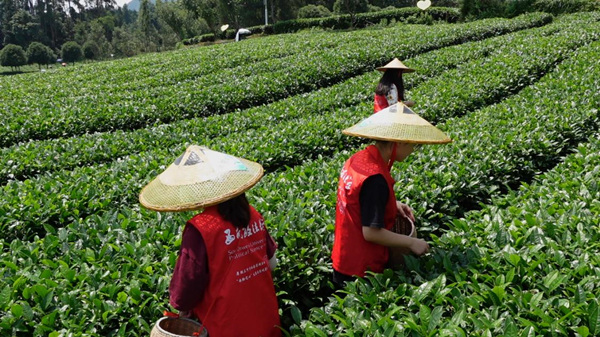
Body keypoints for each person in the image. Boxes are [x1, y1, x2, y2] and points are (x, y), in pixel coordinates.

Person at [139, 145, 281, 337]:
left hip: (225, 325)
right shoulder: (253, 215)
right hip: (265, 319)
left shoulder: (201, 228)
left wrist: (181, 308)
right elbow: (271, 264)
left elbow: (185, 291)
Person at [331, 102, 452, 287]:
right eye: (413, 145)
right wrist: (411, 243)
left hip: (343, 256)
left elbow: (358, 199)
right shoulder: (375, 179)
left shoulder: (357, 160)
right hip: (361, 269)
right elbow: (371, 232)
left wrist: (391, 204)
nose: (413, 151)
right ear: (399, 142)